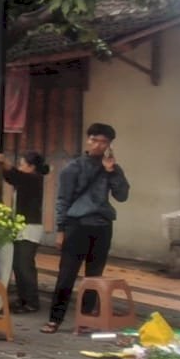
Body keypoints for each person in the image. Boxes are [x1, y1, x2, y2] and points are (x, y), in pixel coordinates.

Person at [45, 123, 129, 332]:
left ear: (110, 145)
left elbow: (122, 196)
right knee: (67, 274)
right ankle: (55, 319)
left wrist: (112, 172)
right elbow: (62, 200)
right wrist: (60, 230)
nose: (100, 145)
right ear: (88, 140)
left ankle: (85, 320)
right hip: (77, 226)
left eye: (104, 142)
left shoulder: (112, 168)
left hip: (102, 226)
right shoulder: (73, 167)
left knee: (94, 276)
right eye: (96, 140)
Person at [0, 150, 50, 313]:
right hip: (21, 227)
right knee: (18, 265)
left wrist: (5, 163)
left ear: (31, 167)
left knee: (25, 266)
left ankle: (31, 302)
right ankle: (22, 299)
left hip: (29, 229)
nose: (20, 167)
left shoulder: (33, 179)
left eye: (22, 164)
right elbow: (13, 177)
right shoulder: (26, 180)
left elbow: (15, 175)